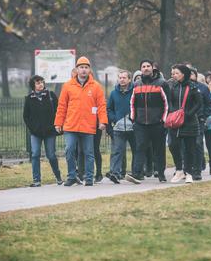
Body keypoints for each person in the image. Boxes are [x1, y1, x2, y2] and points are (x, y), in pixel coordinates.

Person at [54, 56, 108, 186]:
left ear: (89, 70)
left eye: (86, 67)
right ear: (77, 69)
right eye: (81, 67)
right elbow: (62, 106)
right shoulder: (67, 86)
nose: (83, 70)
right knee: (69, 149)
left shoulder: (96, 86)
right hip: (70, 125)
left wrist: (103, 121)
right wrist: (58, 123)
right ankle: (72, 176)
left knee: (89, 152)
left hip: (88, 125)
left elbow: (101, 105)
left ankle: (89, 178)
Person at [127, 60, 169, 184]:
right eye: (143, 67)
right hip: (140, 124)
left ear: (152, 68)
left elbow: (167, 103)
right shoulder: (136, 85)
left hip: (157, 123)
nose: (146, 68)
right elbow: (132, 103)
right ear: (140, 69)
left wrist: (163, 120)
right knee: (140, 148)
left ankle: (161, 173)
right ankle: (136, 173)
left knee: (159, 149)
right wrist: (133, 118)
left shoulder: (162, 84)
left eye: (148, 66)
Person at [23, 75, 62, 187]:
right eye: (37, 83)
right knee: (35, 154)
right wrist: (33, 128)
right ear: (33, 86)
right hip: (36, 133)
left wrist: (56, 125)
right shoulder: (29, 99)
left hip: (50, 132)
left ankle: (58, 176)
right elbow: (26, 116)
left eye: (41, 82)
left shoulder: (51, 95)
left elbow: (59, 111)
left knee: (51, 155)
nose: (40, 84)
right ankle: (36, 180)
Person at [168, 64, 202, 184]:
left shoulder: (192, 87)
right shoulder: (173, 86)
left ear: (183, 74)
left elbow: (198, 103)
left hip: (189, 122)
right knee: (173, 145)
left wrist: (188, 114)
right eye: (173, 73)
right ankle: (179, 169)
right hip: (175, 122)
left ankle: (189, 172)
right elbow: (170, 101)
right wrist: (173, 113)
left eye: (177, 73)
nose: (174, 75)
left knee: (190, 148)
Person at [106, 70, 135, 184]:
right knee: (117, 151)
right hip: (118, 127)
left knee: (136, 150)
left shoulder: (135, 92)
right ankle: (115, 173)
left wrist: (133, 119)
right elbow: (109, 109)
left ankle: (136, 172)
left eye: (124, 77)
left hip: (133, 127)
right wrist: (115, 119)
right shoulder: (113, 93)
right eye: (120, 77)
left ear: (129, 79)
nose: (122, 79)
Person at [190, 67, 211, 180]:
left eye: (191, 74)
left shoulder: (203, 88)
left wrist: (204, 117)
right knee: (186, 146)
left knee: (198, 143)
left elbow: (209, 103)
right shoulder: (181, 87)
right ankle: (187, 168)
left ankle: (197, 170)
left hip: (199, 120)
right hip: (185, 120)